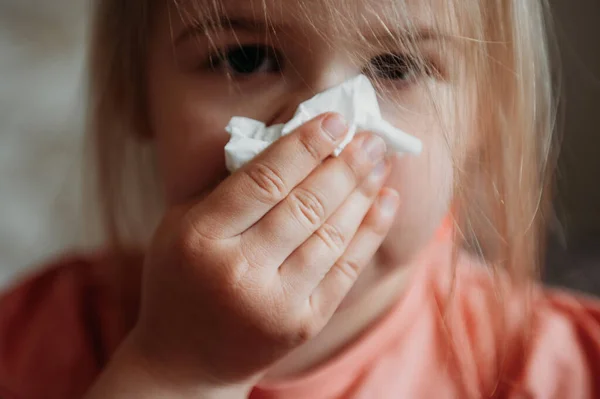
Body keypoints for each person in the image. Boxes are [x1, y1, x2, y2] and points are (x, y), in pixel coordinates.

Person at [1, 0, 599, 397]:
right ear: (136, 92)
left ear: (484, 115)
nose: (320, 141)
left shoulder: (565, 372)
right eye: (244, 58)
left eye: (395, 66)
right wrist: (175, 373)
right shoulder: (29, 344)